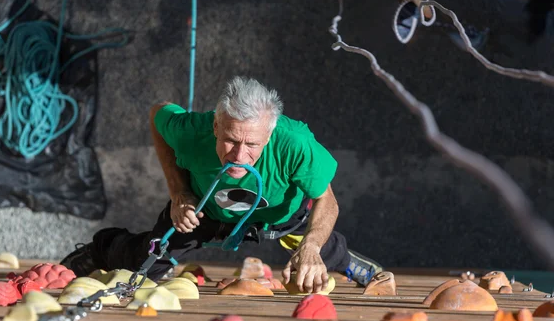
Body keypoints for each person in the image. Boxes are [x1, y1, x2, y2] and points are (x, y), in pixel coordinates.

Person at [61, 76, 382, 293]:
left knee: (316, 246)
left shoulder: (294, 142)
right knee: (143, 264)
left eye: (252, 145)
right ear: (215, 125)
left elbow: (327, 200)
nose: (239, 156)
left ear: (269, 136)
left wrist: (311, 247)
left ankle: (353, 264)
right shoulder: (190, 131)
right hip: (204, 208)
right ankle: (102, 249)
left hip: (279, 215)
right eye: (229, 140)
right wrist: (178, 192)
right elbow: (157, 114)